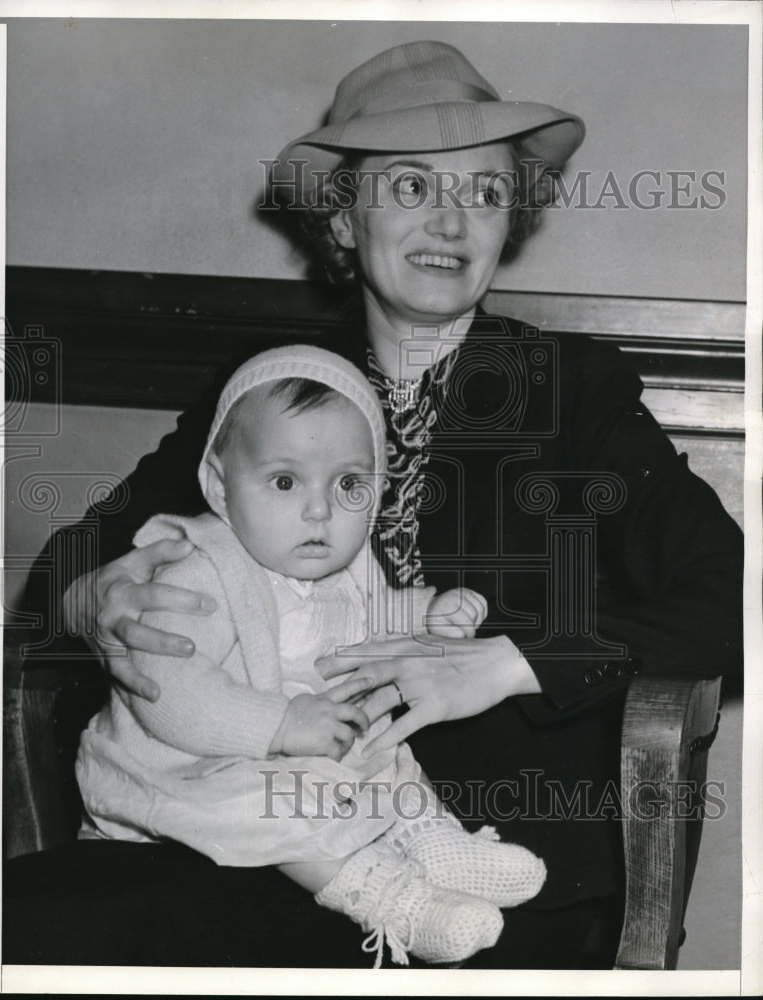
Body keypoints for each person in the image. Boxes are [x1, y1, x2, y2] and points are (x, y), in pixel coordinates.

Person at [22, 41, 743, 969]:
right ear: (340, 221)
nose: (450, 221)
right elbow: (67, 568)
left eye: (483, 193)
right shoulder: (264, 396)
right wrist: (99, 597)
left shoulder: (573, 391)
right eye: (408, 188)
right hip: (261, 842)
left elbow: (732, 590)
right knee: (35, 920)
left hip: (493, 862)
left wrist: (508, 661)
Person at [75, 344, 547, 967]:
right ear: (220, 486)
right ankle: (388, 897)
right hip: (192, 765)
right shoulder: (195, 569)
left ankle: (434, 844)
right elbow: (174, 698)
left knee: (387, 750)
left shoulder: (346, 564)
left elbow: (370, 620)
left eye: (349, 484)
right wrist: (280, 724)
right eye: (284, 481)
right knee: (274, 805)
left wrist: (427, 616)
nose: (320, 509)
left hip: (313, 746)